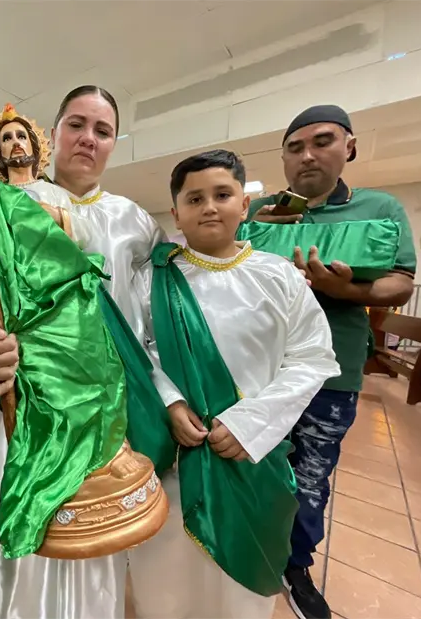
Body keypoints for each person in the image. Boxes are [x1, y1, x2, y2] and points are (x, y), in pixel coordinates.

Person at [0, 87, 174, 619]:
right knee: (29, 543)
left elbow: (154, 319)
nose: (88, 139)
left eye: (102, 131)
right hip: (25, 396)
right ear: (51, 136)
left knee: (95, 542)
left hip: (105, 404)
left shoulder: (136, 223)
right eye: (76, 125)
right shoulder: (3, 205)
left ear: (113, 144)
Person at [126, 150, 339, 619]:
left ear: (244, 204)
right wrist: (171, 401)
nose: (209, 207)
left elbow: (312, 357)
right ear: (176, 212)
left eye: (222, 195)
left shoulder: (279, 275)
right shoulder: (153, 279)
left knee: (239, 593)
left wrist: (249, 424)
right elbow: (140, 353)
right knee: (166, 581)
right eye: (194, 198)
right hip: (176, 456)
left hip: (251, 457)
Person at [247, 105, 416, 619]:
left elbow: (401, 282)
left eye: (322, 142)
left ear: (350, 147)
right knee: (255, 462)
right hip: (259, 368)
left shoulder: (378, 207)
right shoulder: (263, 215)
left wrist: (348, 288)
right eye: (294, 148)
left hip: (330, 370)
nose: (307, 156)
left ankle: (295, 566)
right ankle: (249, 550)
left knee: (311, 474)